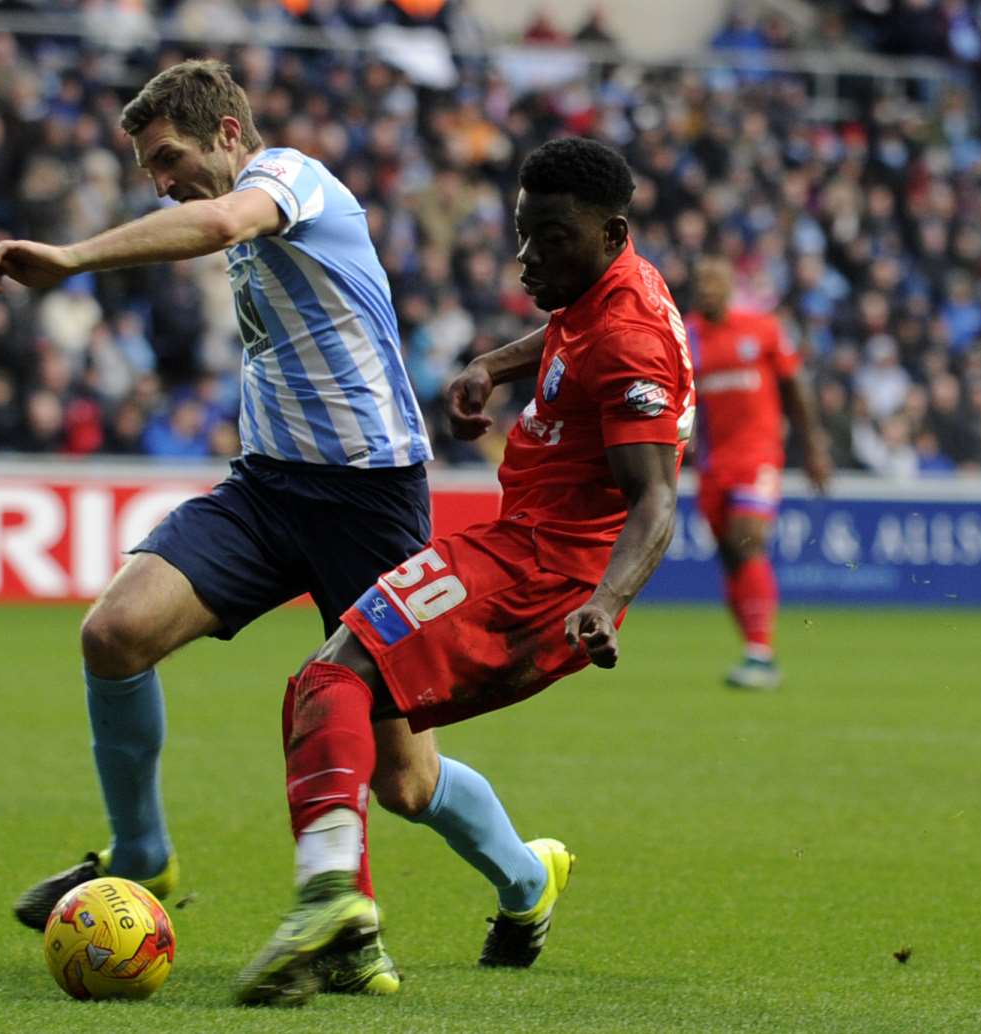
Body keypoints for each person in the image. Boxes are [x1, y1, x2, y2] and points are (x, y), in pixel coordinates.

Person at [0, 60, 548, 996]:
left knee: (402, 782)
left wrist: (71, 259)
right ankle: (141, 856)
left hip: (370, 501)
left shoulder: (291, 177)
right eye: (148, 168)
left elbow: (215, 221)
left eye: (167, 158)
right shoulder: (242, 220)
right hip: (268, 490)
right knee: (112, 635)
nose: (159, 181)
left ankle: (527, 877)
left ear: (230, 135)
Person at [233, 138, 695, 1006]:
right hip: (527, 551)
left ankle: (333, 906)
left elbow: (656, 500)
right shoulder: (606, 283)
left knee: (328, 681)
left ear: (609, 233)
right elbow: (568, 336)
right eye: (522, 234)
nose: (526, 258)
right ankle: (524, 884)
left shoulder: (631, 339)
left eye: (548, 238)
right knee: (391, 766)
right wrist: (493, 363)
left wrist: (604, 603)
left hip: (542, 576)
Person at [686, 257, 831, 690]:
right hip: (713, 464)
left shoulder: (762, 328)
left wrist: (814, 449)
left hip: (759, 455)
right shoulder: (687, 334)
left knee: (747, 538)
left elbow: (795, 390)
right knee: (730, 555)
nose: (708, 290)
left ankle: (761, 654)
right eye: (702, 283)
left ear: (730, 288)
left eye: (716, 282)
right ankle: (753, 647)